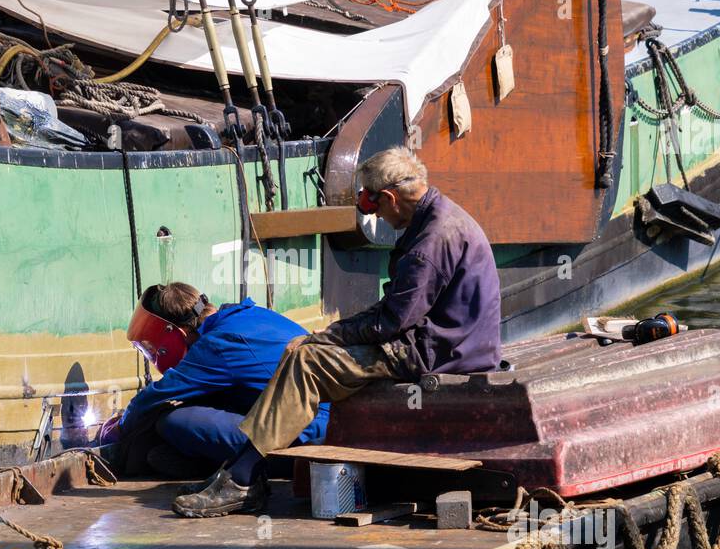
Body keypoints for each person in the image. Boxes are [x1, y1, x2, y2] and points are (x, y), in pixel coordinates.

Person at [173, 145, 501, 517]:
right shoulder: (440, 219)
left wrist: (322, 337)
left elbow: (390, 323)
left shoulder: (430, 243)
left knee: (308, 362)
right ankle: (241, 470)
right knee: (305, 354)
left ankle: (243, 478)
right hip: (451, 342)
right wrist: (327, 335)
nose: (375, 215)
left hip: (440, 352)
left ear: (391, 197)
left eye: (373, 205)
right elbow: (396, 310)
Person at [107, 281, 329, 513]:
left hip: (307, 435)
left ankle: (251, 473)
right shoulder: (247, 314)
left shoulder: (218, 344)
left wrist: (119, 428)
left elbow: (156, 395)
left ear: (178, 333)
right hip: (321, 420)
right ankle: (217, 464)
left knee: (172, 421)